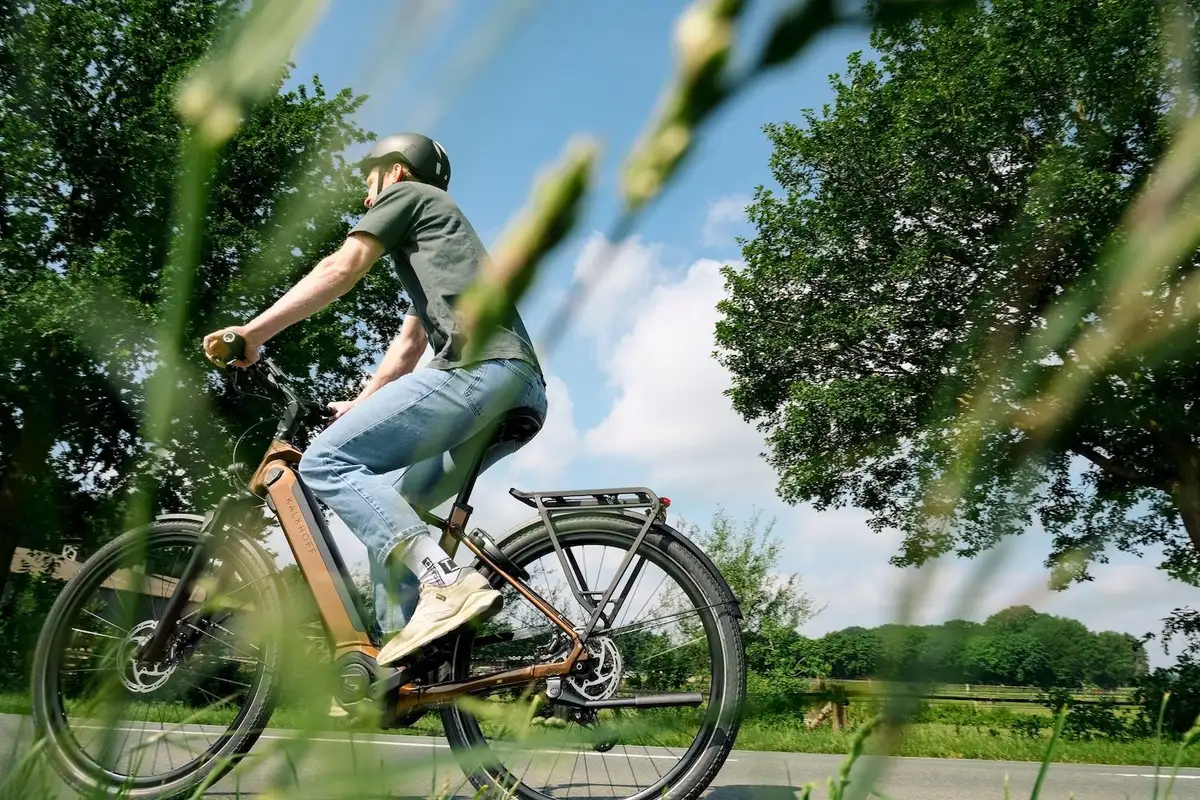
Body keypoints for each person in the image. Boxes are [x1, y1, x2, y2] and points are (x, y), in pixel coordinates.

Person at [203, 132, 548, 670]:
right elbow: (406, 350)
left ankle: (445, 582)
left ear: (397, 171)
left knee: (325, 461)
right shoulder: (442, 248)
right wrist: (360, 403)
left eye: (371, 182)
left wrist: (253, 332)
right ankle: (400, 662)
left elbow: (340, 269)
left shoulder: (411, 197)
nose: (369, 199)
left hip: (479, 373)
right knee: (394, 512)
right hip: (520, 385)